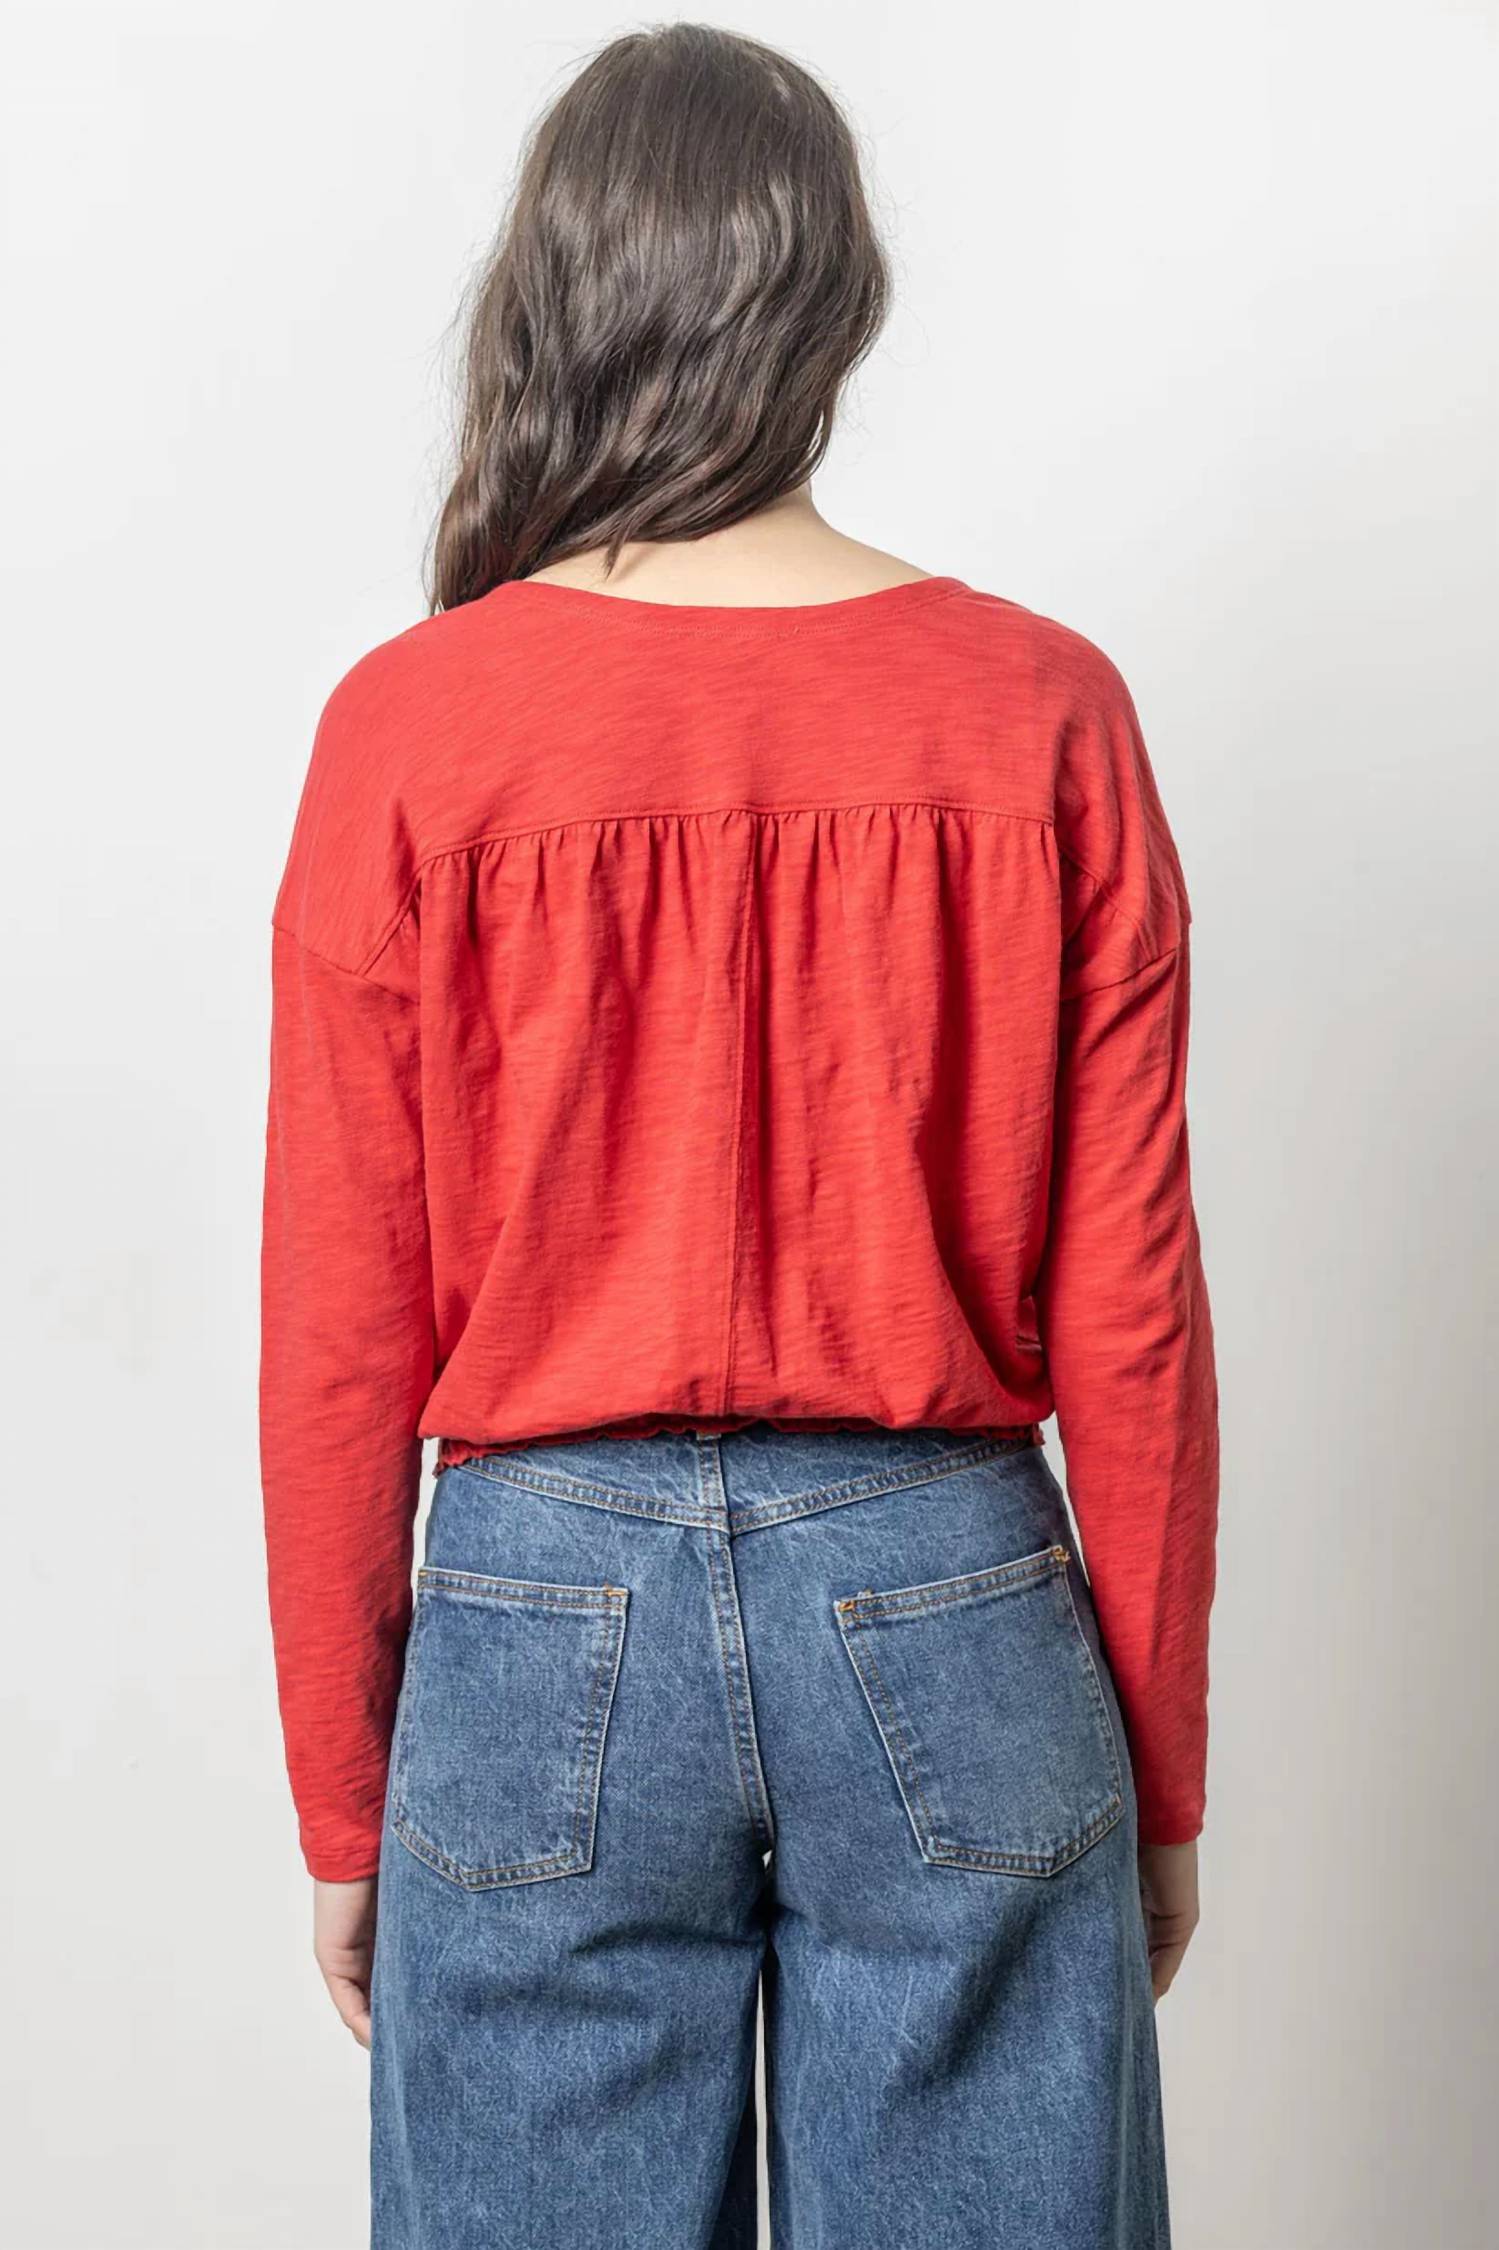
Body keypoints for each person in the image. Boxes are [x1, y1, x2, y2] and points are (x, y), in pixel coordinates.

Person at [259, 23, 1219, 2249]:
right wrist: (1163, 1766)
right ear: (836, 303)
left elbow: (338, 1324)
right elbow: (1134, 1315)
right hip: (953, 1597)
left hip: (536, 1614)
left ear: (558, 290)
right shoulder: (1041, 711)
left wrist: (344, 1798)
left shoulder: (411, 729)